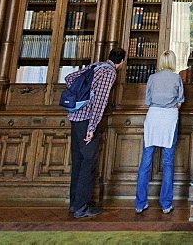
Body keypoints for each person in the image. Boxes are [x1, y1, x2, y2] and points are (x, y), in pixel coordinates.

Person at [66, 47, 126, 219]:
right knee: (89, 162)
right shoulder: (109, 73)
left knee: (78, 161)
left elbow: (69, 78)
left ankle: (75, 203)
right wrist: (92, 128)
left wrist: (81, 96)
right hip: (86, 121)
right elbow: (99, 102)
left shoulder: (96, 66)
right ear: (121, 62)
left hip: (75, 116)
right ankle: (82, 207)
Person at [135, 50, 185, 215]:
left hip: (153, 117)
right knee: (168, 162)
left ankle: (140, 202)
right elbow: (180, 101)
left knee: (146, 161)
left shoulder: (152, 78)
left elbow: (147, 101)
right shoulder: (176, 78)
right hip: (169, 118)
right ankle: (165, 203)